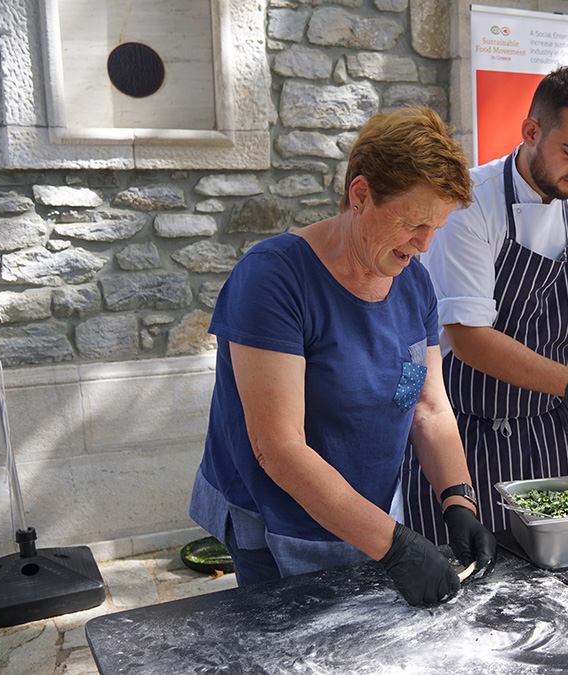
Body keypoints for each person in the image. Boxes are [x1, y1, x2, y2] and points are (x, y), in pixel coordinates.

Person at [188, 107, 497, 607]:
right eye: (414, 223)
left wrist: (458, 499)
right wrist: (394, 546)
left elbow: (429, 406)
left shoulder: (413, 283)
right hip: (276, 518)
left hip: (364, 511)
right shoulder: (273, 279)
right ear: (360, 194)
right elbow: (278, 448)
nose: (424, 244)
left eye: (436, 227)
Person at [401, 66, 568, 541]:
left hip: (552, 432)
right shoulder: (471, 206)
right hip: (468, 430)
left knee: (567, 581)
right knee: (465, 582)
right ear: (531, 131)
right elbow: (470, 339)